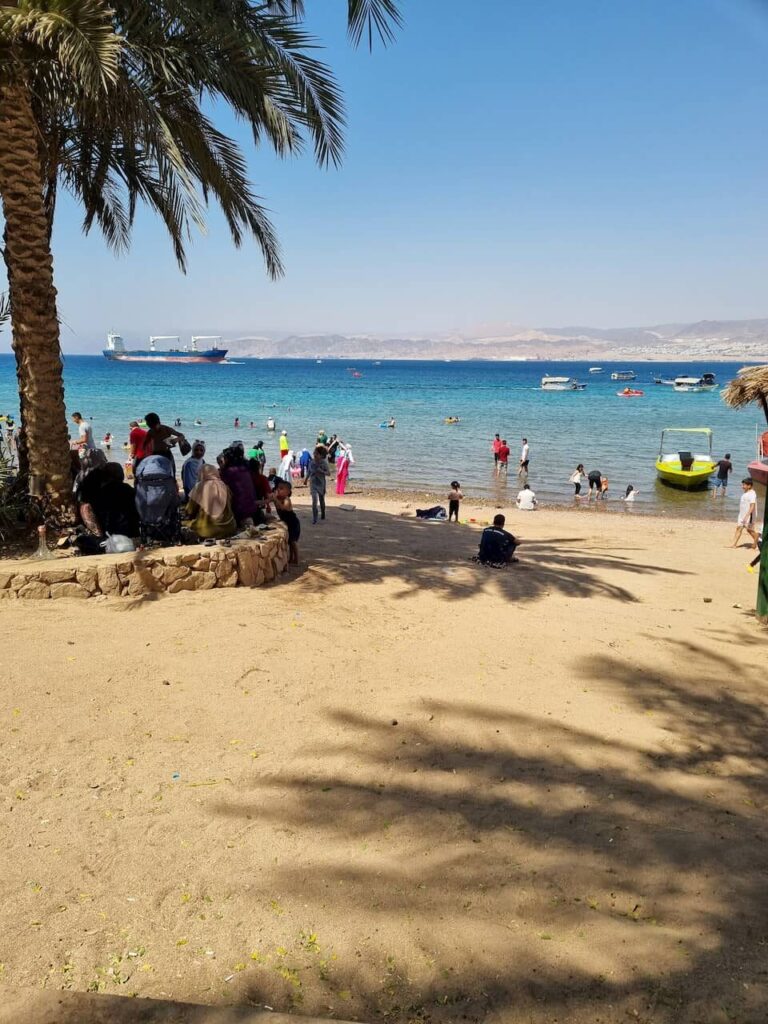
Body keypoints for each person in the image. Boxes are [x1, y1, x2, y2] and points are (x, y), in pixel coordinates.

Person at [185, 464, 236, 539]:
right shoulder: (224, 486)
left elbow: (189, 511)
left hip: (207, 530)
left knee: (185, 523)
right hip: (230, 527)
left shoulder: (199, 486)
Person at [219, 445, 257, 527]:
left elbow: (218, 486)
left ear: (227, 459)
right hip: (252, 508)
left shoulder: (228, 472)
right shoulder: (244, 469)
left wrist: (221, 468)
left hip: (239, 510)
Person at [273, 479, 300, 565]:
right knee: (289, 542)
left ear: (288, 492)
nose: (278, 490)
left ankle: (296, 559)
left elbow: (283, 508)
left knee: (293, 541)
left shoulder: (287, 499)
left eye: (281, 488)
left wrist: (275, 500)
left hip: (293, 523)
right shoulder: (276, 498)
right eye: (278, 488)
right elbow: (267, 500)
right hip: (287, 523)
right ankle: (291, 558)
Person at [732, 478, 759, 549]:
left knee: (749, 530)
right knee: (738, 528)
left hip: (749, 516)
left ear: (749, 486)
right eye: (742, 485)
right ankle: (734, 544)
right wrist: (742, 515)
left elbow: (752, 506)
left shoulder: (752, 494)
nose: (742, 486)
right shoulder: (746, 493)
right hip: (742, 515)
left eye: (744, 485)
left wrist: (747, 516)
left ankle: (756, 541)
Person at [307, 445, 330, 524]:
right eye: (314, 453)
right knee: (314, 501)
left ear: (320, 455)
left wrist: (321, 471)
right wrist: (306, 479)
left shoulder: (324, 462)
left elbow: (328, 473)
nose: (314, 455)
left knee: (321, 500)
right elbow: (309, 471)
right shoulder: (311, 462)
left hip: (321, 484)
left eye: (316, 454)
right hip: (313, 483)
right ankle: (315, 518)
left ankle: (323, 513)